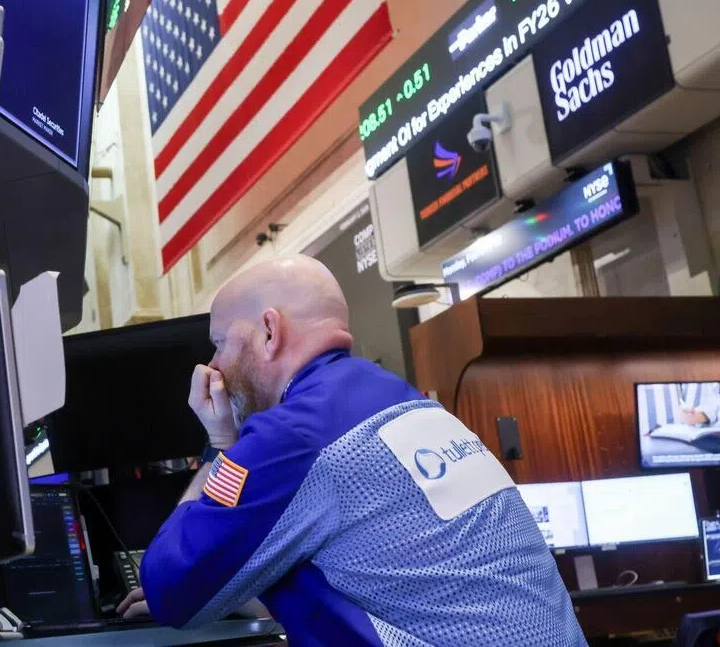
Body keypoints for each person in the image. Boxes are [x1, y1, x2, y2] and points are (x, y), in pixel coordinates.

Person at [117, 255, 586, 646]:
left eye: (220, 342)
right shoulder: (407, 404)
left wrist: (221, 446)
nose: (214, 364)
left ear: (268, 330)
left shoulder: (297, 434)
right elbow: (390, 580)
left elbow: (173, 590)